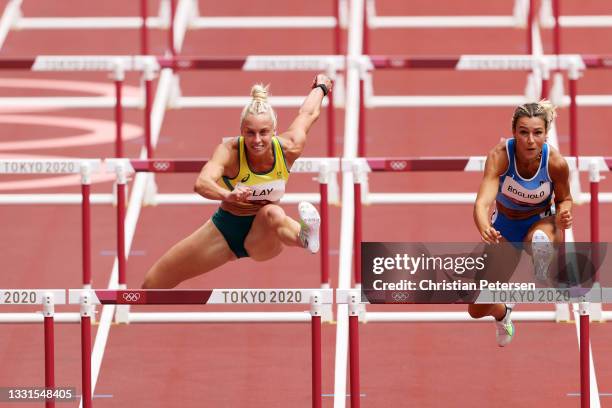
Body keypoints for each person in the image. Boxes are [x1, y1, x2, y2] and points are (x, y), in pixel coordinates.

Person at [142, 74, 333, 289]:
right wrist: (227, 195)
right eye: (250, 133)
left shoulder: (289, 147)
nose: (257, 140)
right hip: (225, 230)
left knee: (272, 213)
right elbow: (202, 182)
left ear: (274, 131)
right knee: (152, 284)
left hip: (264, 237)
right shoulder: (229, 151)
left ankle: (305, 237)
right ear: (241, 131)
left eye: (264, 132)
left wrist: (321, 87)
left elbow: (308, 114)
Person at [470, 100, 573, 347]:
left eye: (537, 133)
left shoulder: (555, 163)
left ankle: (542, 264)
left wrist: (565, 213)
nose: (530, 140)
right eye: (523, 132)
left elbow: (565, 199)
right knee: (476, 307)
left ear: (545, 134)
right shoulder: (500, 156)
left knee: (538, 239)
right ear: (514, 132)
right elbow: (482, 203)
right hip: (505, 228)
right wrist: (484, 226)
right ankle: (503, 312)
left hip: (542, 224)